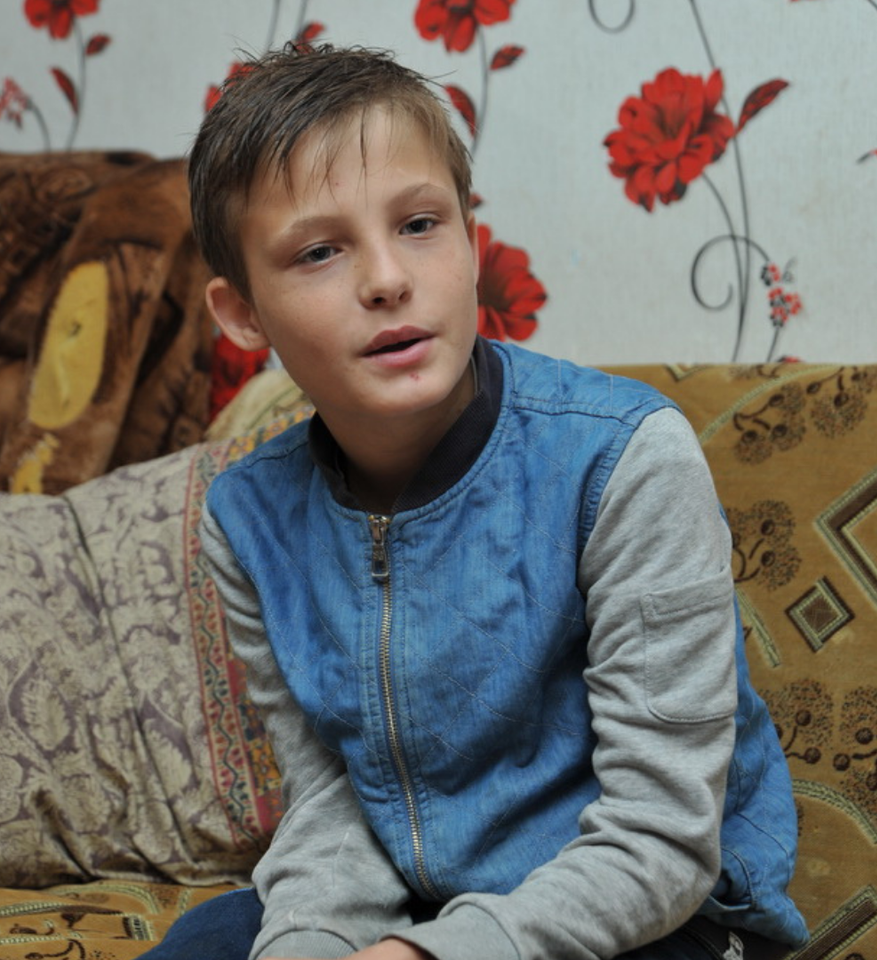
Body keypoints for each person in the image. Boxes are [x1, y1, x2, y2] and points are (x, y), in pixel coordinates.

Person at [161, 43, 809, 960]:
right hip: (409, 896)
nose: (386, 278)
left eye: (420, 224)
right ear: (242, 315)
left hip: (646, 911)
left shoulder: (621, 459)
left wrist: (434, 956)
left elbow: (663, 839)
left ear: (472, 241)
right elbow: (329, 803)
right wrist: (311, 945)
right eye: (317, 250)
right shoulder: (249, 520)